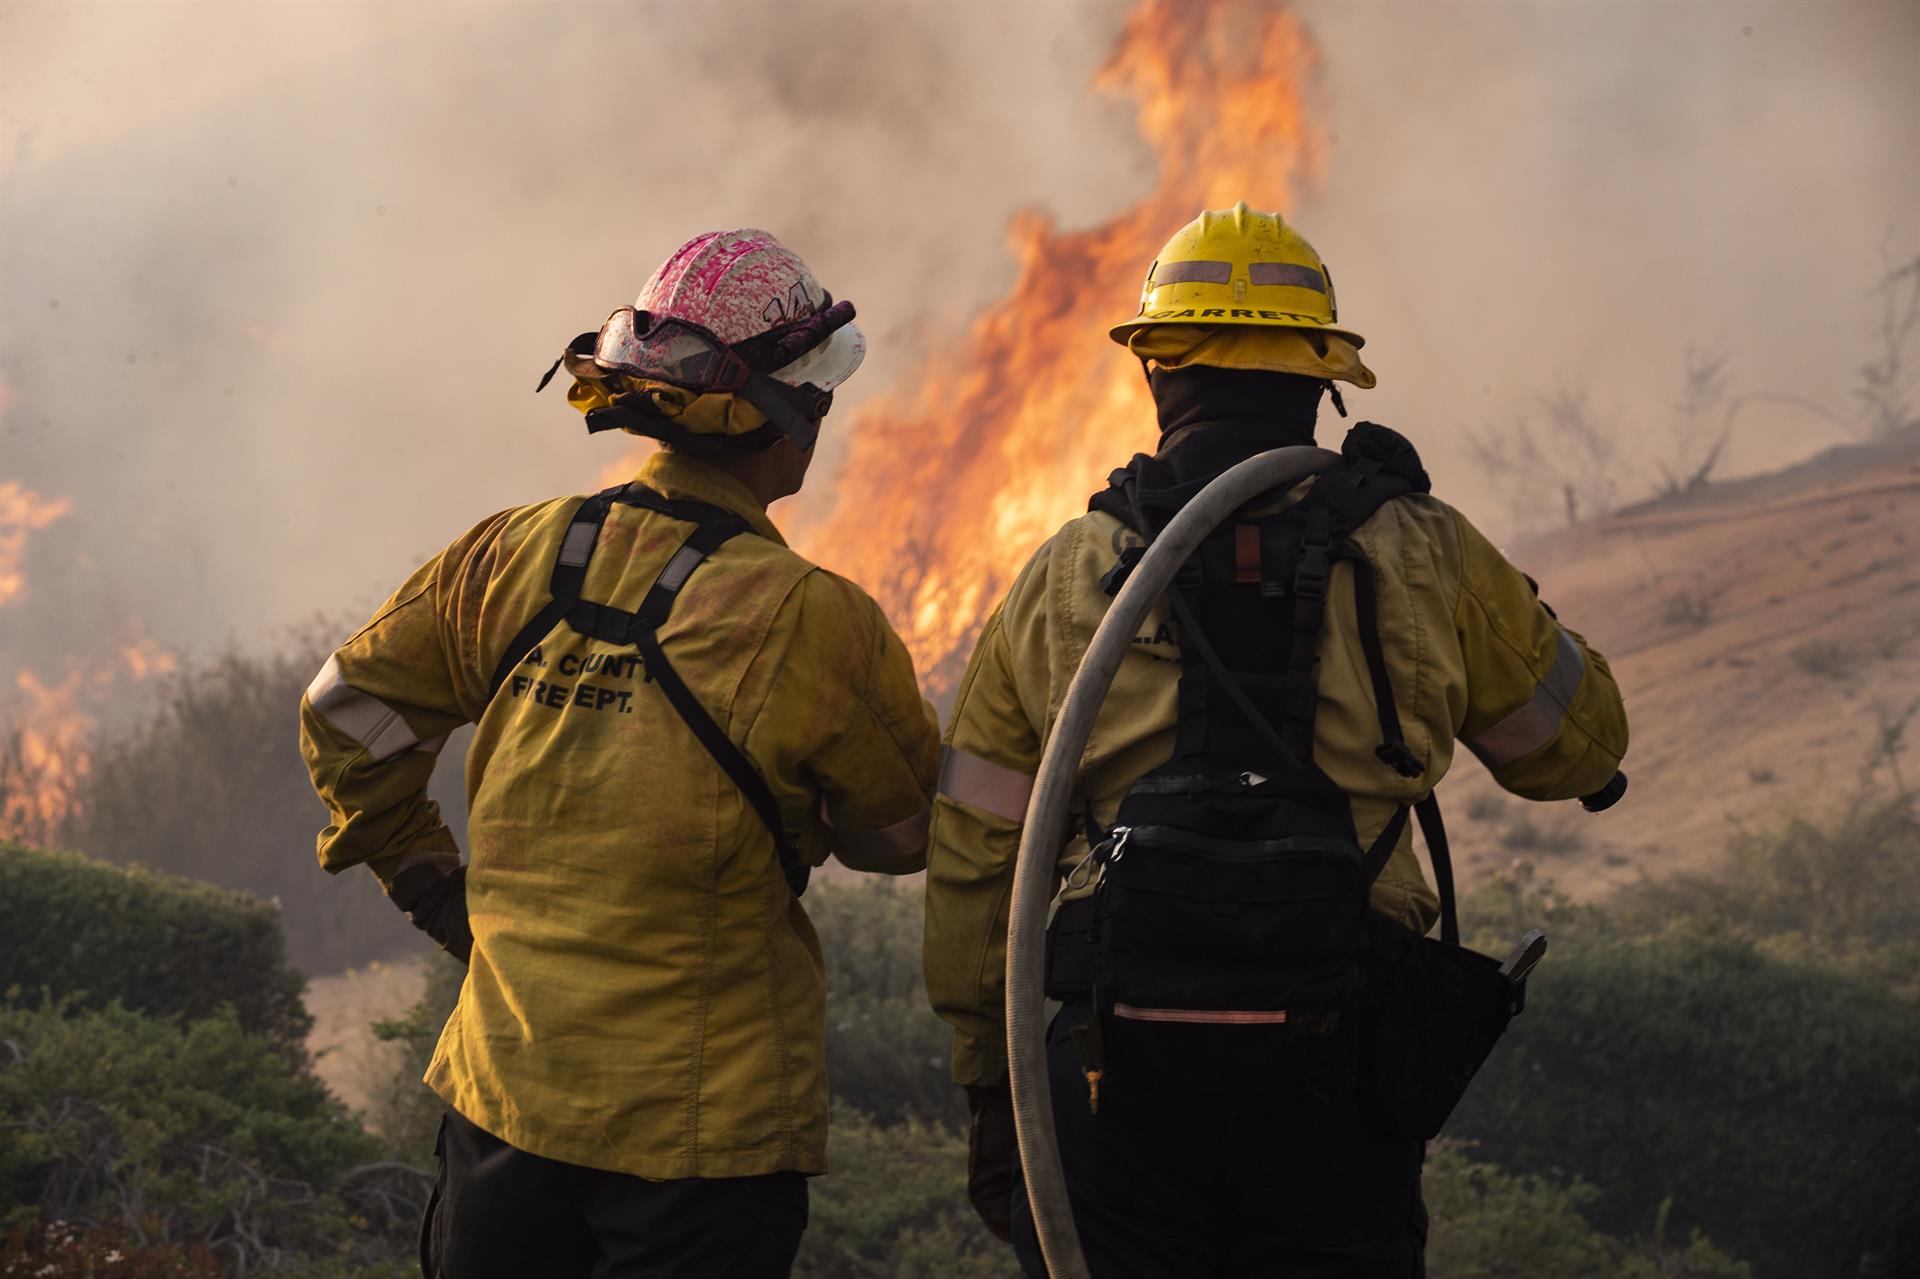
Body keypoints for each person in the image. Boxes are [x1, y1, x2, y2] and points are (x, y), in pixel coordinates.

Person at [923, 203, 1630, 1277]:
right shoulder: (1425, 550)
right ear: (1323, 379)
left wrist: (994, 1073)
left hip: (1113, 1069)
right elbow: (1575, 753)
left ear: (1156, 369)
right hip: (1337, 1062)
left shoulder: (1067, 574)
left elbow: (983, 854)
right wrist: (1488, 601)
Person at [299, 228, 941, 1279]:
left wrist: (431, 886)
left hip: (503, 1105)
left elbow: (346, 711)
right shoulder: (811, 620)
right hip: (702, 1148)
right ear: (784, 413)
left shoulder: (508, 553)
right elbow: (901, 831)